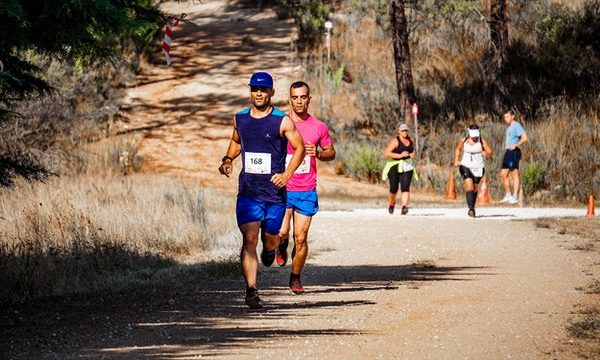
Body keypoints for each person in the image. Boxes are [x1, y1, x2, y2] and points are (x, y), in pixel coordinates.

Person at [218, 71, 305, 309]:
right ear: (250, 92)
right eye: (255, 89)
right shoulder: (240, 119)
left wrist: (287, 175)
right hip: (248, 193)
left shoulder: (282, 121)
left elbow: (300, 149)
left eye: (263, 89)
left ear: (271, 93)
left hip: (274, 196)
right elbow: (237, 140)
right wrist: (228, 159)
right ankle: (251, 290)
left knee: (269, 241)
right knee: (249, 239)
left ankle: (271, 249)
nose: (259, 93)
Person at [276, 81, 335, 295]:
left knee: (300, 238)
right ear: (289, 99)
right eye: (295, 97)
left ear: (309, 99)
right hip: (283, 187)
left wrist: (318, 153)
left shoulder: (318, 127)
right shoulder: (280, 123)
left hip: (306, 189)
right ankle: (281, 245)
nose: (299, 101)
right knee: (282, 231)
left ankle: (295, 278)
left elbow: (331, 152)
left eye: (303, 97)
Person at [453, 124, 493, 217]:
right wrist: (456, 159)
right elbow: (458, 149)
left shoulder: (481, 141)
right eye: (473, 135)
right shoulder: (464, 140)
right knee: (469, 187)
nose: (475, 137)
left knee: (474, 189)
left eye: (476, 135)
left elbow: (490, 152)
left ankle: (473, 206)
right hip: (465, 165)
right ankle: (471, 209)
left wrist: (484, 153)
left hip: (478, 167)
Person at [382, 123, 417, 215]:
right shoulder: (395, 141)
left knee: (405, 187)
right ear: (399, 132)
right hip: (394, 165)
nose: (405, 132)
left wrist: (412, 155)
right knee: (394, 188)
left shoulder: (411, 140)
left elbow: (413, 152)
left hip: (407, 166)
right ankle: (392, 203)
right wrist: (400, 155)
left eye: (406, 130)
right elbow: (386, 153)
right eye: (403, 130)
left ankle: (404, 207)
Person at [499, 110, 528, 204]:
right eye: (505, 117)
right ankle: (508, 194)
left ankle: (515, 196)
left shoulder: (516, 125)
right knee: (503, 174)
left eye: (508, 116)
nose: (506, 119)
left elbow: (524, 137)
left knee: (514, 173)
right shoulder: (509, 127)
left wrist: (516, 145)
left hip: (514, 152)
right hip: (508, 152)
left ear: (513, 116)